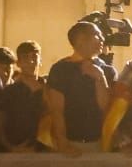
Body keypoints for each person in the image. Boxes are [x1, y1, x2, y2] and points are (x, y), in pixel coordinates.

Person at [45, 20, 116, 156]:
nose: (102, 39)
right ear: (81, 39)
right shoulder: (61, 69)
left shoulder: (107, 70)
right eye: (97, 35)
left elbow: (106, 107)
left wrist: (100, 78)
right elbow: (56, 109)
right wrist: (63, 142)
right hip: (69, 143)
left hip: (100, 143)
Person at [0, 40, 47, 152]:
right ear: (18, 63)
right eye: (25, 58)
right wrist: (11, 148)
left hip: (43, 150)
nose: (31, 61)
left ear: (40, 60)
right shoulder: (9, 92)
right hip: (15, 148)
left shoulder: (49, 89)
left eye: (34, 56)